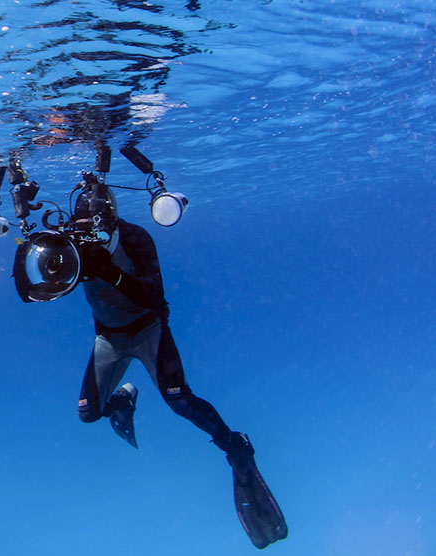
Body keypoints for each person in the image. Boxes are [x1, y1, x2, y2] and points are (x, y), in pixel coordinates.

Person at [71, 182, 288, 550]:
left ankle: (235, 448)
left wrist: (108, 270)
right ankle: (121, 401)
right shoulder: (71, 244)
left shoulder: (136, 239)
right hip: (108, 338)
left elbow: (152, 296)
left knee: (180, 401)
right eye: (85, 225)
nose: (94, 233)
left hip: (148, 328)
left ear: (114, 216)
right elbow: (33, 290)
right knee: (88, 413)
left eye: (101, 224)